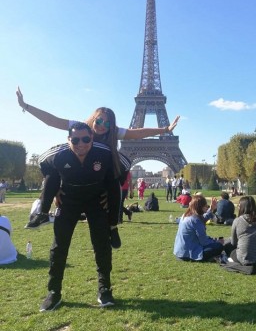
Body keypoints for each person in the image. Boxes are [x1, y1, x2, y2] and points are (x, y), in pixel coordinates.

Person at [18, 87, 178, 230]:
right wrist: (25, 106)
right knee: (54, 168)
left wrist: (164, 129)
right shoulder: (81, 127)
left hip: (98, 171)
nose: (102, 125)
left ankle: (113, 224)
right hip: (78, 169)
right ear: (93, 118)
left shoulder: (113, 132)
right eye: (99, 121)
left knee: (120, 168)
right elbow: (53, 121)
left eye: (107, 124)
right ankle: (43, 213)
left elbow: (137, 132)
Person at [38, 122, 120, 311]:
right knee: (59, 246)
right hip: (68, 201)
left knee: (102, 245)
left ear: (92, 138)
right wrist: (53, 187)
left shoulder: (104, 152)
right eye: (75, 140)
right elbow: (45, 166)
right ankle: (54, 292)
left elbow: (119, 174)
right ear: (69, 141)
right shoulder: (59, 154)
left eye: (85, 139)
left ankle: (105, 289)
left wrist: (110, 194)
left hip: (96, 201)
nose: (80, 143)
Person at [224, 196, 256, 269]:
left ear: (242, 207)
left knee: (231, 250)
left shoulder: (237, 221)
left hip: (246, 259)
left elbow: (234, 242)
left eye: (239, 206)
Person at [173, 194, 223, 262]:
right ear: (200, 207)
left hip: (180, 252)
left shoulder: (186, 215)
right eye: (205, 206)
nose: (206, 207)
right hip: (188, 253)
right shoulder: (195, 220)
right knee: (219, 246)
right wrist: (216, 241)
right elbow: (204, 242)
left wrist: (211, 209)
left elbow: (202, 219)